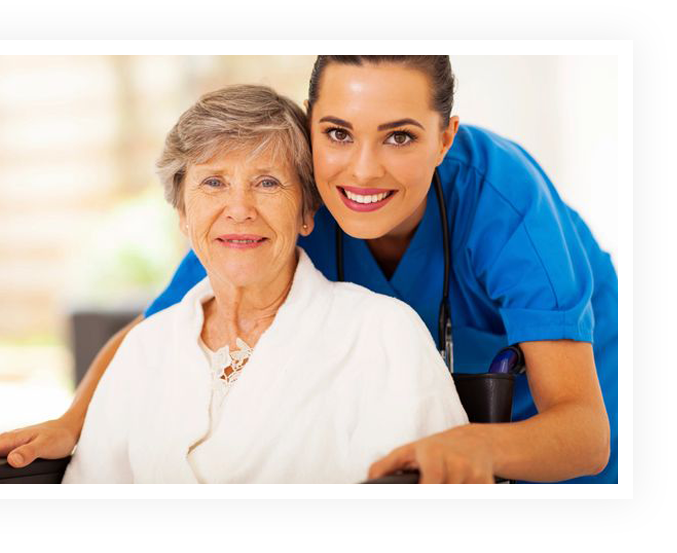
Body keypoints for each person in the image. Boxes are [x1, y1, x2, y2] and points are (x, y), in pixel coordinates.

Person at [0, 56, 617, 484]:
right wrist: (70, 421)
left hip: (559, 404)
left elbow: (587, 432)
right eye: (338, 132)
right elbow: (155, 329)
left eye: (399, 136)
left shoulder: (503, 205)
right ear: (312, 129)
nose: (362, 170)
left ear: (445, 138)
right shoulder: (292, 192)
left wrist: (481, 446)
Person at [56, 84, 467, 483]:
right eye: (214, 182)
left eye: (268, 183)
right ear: (182, 214)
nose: (239, 209)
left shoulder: (383, 333)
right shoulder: (144, 349)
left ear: (307, 213)